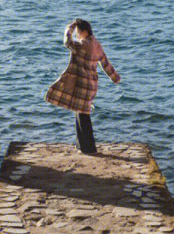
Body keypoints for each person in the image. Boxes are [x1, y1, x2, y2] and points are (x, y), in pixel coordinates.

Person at [45, 18, 120, 154]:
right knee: (80, 113)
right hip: (91, 84)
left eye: (79, 32)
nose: (77, 35)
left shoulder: (82, 45)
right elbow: (106, 64)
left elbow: (67, 42)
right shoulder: (97, 44)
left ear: (85, 31)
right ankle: (81, 146)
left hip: (82, 84)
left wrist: (69, 28)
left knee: (83, 117)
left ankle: (89, 148)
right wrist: (115, 77)